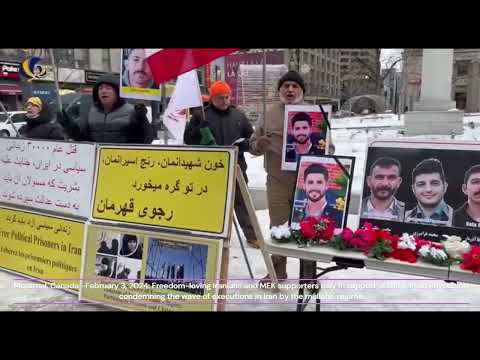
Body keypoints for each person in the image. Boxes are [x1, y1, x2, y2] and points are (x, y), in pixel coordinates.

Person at [250, 70, 333, 283]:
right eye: (285, 86)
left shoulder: (316, 114)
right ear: (279, 90)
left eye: (294, 86)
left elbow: (330, 149)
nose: (289, 89)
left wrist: (322, 149)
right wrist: (258, 145)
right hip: (277, 180)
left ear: (302, 91)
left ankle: (308, 274)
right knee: (278, 226)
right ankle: (278, 270)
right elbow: (253, 145)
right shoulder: (268, 114)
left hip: (307, 183)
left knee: (308, 227)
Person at [184, 80, 258, 248]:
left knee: (242, 202)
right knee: (211, 203)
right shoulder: (202, 115)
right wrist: (198, 127)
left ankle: (252, 236)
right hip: (209, 170)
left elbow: (251, 137)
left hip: (236, 167)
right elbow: (188, 140)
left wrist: (244, 145)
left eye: (226, 97)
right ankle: (209, 235)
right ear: (212, 99)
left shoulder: (238, 115)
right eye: (220, 98)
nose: (224, 101)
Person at [58, 73, 154, 144]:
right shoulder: (90, 111)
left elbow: (146, 140)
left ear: (117, 93)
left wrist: (141, 120)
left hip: (123, 162)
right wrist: (67, 124)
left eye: (108, 88)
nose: (103, 91)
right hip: (97, 164)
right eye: (100, 88)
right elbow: (81, 138)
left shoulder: (132, 111)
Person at [405, 158, 453, 226]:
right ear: (413, 189)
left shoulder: (458, 219)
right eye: (421, 184)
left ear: (445, 187)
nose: (428, 189)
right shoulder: (402, 218)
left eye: (434, 183)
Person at [361, 157, 405, 222]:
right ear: (369, 181)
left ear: (399, 182)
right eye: (379, 177)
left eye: (391, 178)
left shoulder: (407, 212)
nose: (385, 183)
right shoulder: (356, 208)